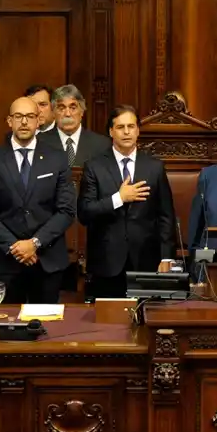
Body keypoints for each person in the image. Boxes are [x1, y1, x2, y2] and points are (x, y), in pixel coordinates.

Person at [0, 97, 75, 304]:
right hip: (6, 263)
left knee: (47, 328)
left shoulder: (57, 158)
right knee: (6, 328)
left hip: (47, 261)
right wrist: (16, 247)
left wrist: (35, 243)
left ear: (39, 121)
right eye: (18, 117)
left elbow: (66, 210)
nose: (24, 122)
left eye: (30, 117)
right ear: (9, 121)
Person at [78, 105, 176, 298]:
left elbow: (166, 216)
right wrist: (119, 198)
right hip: (106, 262)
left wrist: (167, 256)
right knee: (109, 323)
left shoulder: (154, 167)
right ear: (111, 132)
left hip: (146, 261)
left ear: (138, 130)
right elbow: (85, 212)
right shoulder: (94, 167)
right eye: (120, 127)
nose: (126, 132)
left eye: (131, 126)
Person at [37, 84, 111, 168]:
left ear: (82, 111)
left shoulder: (101, 145)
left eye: (73, 108)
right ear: (53, 112)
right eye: (61, 108)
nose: (67, 114)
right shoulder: (39, 142)